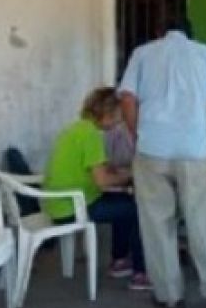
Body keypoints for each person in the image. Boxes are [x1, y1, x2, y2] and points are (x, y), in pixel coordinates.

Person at [118, 15, 206, 308]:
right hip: (194, 149)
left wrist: (137, 133)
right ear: (190, 33)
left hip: (152, 148)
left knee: (158, 224)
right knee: (204, 221)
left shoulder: (142, 54)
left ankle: (170, 295)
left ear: (160, 32)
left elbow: (127, 98)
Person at [43, 87, 150, 290]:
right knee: (137, 209)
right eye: (118, 116)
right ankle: (141, 272)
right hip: (73, 208)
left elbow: (91, 168)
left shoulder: (76, 128)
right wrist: (130, 175)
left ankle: (119, 260)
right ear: (106, 113)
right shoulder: (92, 135)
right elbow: (102, 181)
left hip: (58, 203)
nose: (120, 122)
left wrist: (113, 172)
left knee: (123, 204)